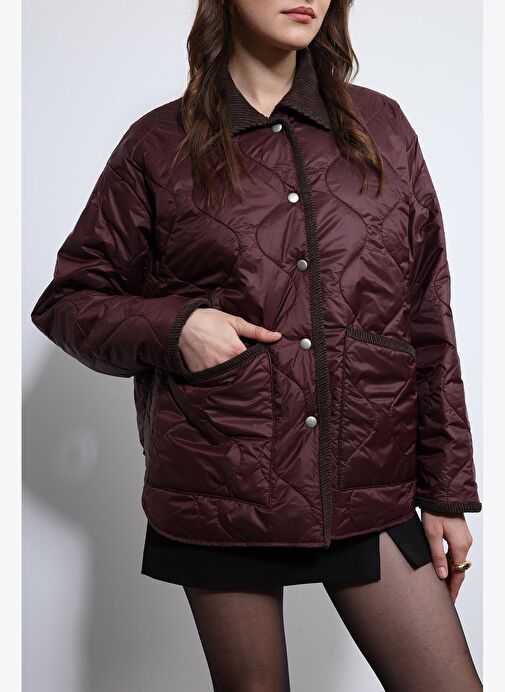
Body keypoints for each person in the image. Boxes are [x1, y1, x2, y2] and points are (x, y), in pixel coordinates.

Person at [31, 1, 483, 690]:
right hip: (222, 478)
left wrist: (445, 490)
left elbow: (426, 313)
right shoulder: (159, 144)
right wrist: (176, 328)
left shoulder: (382, 127)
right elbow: (69, 301)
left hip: (367, 477)